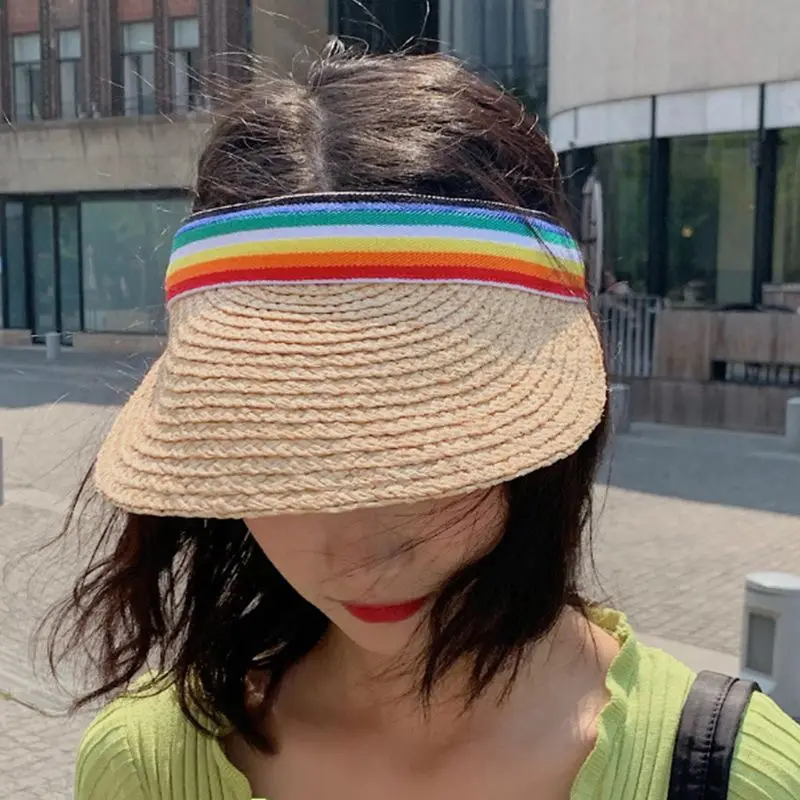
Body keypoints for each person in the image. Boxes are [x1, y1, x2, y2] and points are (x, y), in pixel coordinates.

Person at [45, 45, 799, 800]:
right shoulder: (143, 767)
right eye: (279, 453)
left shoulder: (742, 777)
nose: (363, 549)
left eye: (427, 446)